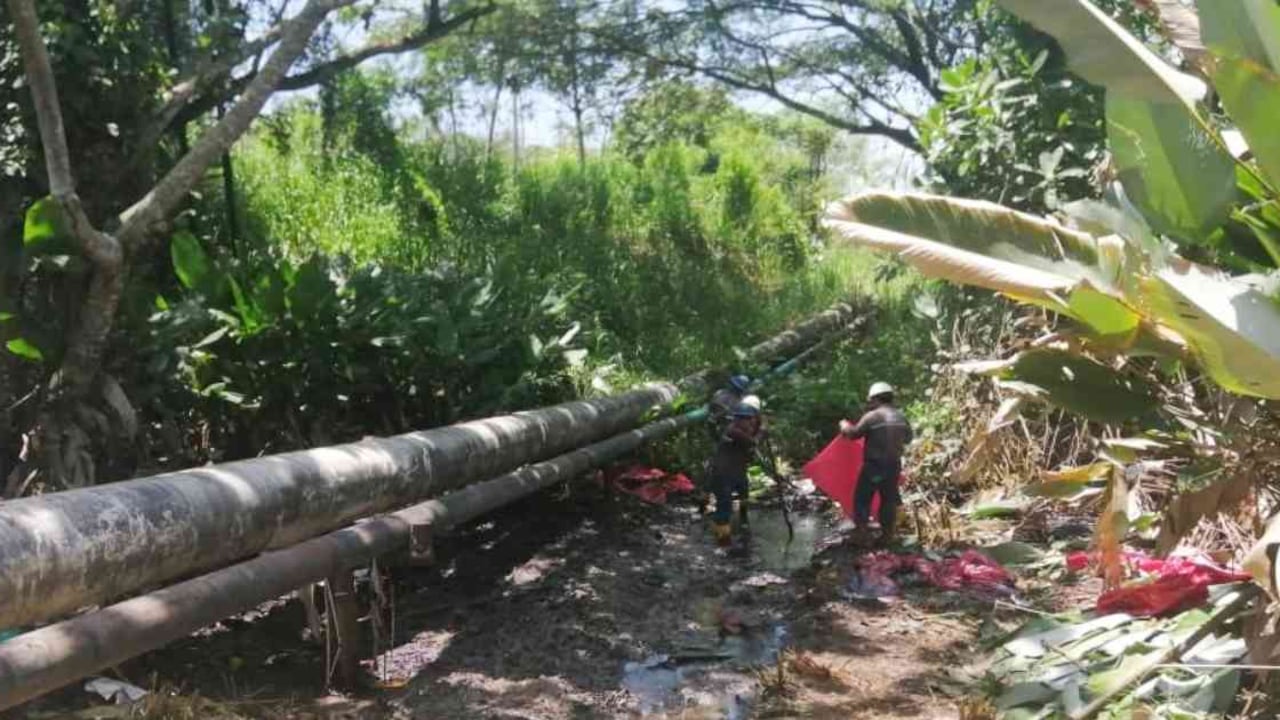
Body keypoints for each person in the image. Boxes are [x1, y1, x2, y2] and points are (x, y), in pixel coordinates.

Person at [839, 381, 913, 544]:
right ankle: (887, 536)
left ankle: (862, 534)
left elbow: (853, 434)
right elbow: (908, 438)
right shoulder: (901, 417)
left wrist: (844, 426)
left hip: (874, 466)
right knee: (888, 500)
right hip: (894, 465)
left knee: (862, 498)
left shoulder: (872, 417)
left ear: (875, 399)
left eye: (871, 400)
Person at [708, 399, 764, 547]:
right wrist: (762, 434)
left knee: (744, 493)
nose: (751, 422)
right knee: (724, 505)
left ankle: (743, 522)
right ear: (739, 419)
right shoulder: (734, 431)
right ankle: (722, 540)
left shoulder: (743, 428)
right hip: (723, 473)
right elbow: (752, 442)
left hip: (737, 471)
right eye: (749, 420)